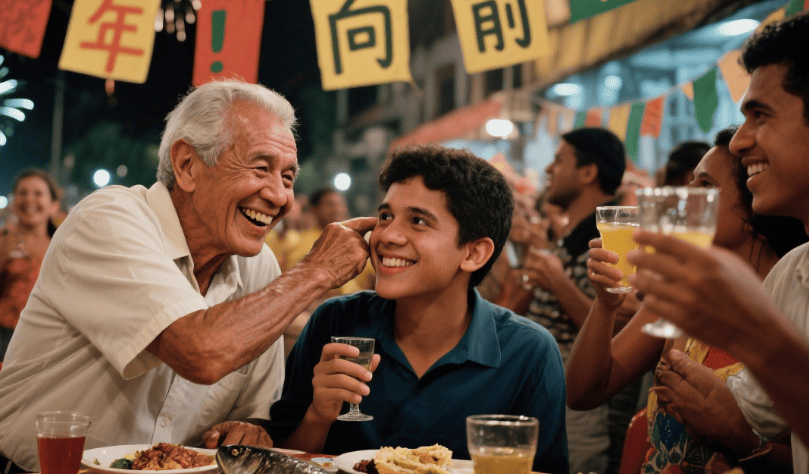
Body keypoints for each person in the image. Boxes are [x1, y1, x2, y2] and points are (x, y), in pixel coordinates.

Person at [0, 79, 376, 473]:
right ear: (187, 165)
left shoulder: (259, 265)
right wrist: (316, 271)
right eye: (261, 168)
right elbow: (200, 351)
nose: (281, 197)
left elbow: (254, 415)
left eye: (287, 176)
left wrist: (249, 429)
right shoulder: (109, 219)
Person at [268, 145, 569, 474]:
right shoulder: (336, 322)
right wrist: (318, 415)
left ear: (474, 253)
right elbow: (281, 463)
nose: (388, 236)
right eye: (385, 216)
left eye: (418, 221)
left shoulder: (527, 353)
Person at [627, 11, 809, 473]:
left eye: (760, 115)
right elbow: (749, 415)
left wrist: (750, 330)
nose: (741, 141)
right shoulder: (793, 274)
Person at [567, 127, 804, 473]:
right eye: (690, 182)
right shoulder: (680, 294)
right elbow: (583, 392)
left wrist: (739, 439)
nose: (684, 195)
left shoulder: (795, 297)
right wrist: (605, 305)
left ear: (754, 207)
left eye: (706, 186)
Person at [495, 127, 631, 474]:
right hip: (546, 390)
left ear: (588, 172)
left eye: (559, 160)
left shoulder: (612, 236)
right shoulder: (568, 237)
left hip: (581, 404)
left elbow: (617, 325)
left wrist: (558, 281)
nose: (548, 170)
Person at [0, 169, 61, 360]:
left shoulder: (63, 247)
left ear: (53, 206)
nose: (29, 200)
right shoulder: (3, 239)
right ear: (13, 203)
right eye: (23, 192)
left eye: (38, 193)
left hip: (48, 340)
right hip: (4, 337)